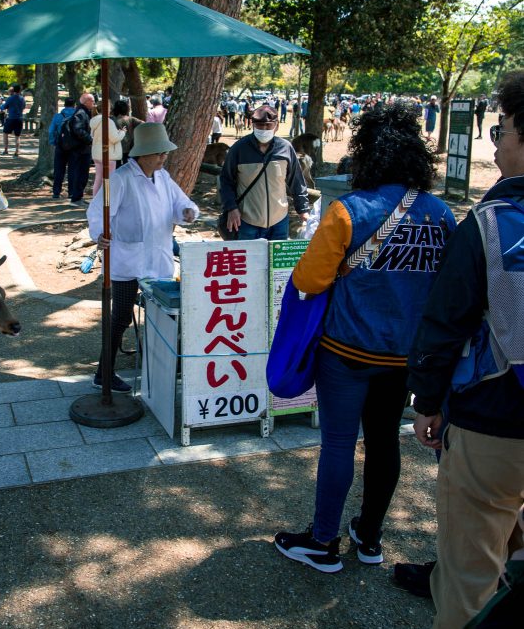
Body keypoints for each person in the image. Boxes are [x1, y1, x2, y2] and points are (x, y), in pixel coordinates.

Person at [384, 73, 524, 629]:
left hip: (493, 423)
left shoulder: (490, 225)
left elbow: (446, 322)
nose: (494, 144)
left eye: (501, 131)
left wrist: (428, 402)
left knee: (469, 572)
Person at [273, 102, 456, 574]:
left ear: (367, 154)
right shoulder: (441, 216)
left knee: (338, 443)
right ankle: (370, 537)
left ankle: (322, 541)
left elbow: (309, 280)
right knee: (384, 442)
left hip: (346, 350)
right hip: (405, 357)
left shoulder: (348, 210)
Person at [87, 122, 198, 392]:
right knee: (121, 316)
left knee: (162, 314)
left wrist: (187, 212)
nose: (163, 157)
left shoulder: (163, 177)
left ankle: (160, 366)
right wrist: (100, 233)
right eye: (158, 153)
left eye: (164, 152)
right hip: (127, 261)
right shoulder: (121, 178)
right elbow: (98, 212)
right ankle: (104, 373)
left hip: (158, 259)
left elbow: (181, 202)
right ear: (143, 154)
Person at [219, 103, 309, 241]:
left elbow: (296, 180)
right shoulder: (239, 149)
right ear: (253, 125)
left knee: (277, 255)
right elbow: (226, 180)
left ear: (276, 126)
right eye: (260, 126)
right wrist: (231, 208)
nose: (264, 129)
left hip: (279, 221)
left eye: (268, 125)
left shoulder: (285, 148)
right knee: (249, 255)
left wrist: (303, 210)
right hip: (247, 221)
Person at [90, 102, 125, 195]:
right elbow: (114, 138)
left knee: (98, 179)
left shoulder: (94, 121)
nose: (110, 110)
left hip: (97, 153)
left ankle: (96, 200)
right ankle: (107, 200)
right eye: (109, 108)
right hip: (108, 154)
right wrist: (122, 133)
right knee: (108, 179)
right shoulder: (108, 121)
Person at [66, 92, 95, 205]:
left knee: (82, 173)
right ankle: (76, 197)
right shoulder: (81, 113)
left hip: (82, 148)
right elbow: (78, 129)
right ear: (86, 102)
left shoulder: (83, 112)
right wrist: (90, 139)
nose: (94, 103)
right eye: (92, 101)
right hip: (80, 149)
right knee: (80, 173)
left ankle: (78, 196)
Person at [48, 96, 76, 199]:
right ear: (74, 105)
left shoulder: (58, 116)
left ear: (64, 105)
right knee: (73, 169)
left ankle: (56, 192)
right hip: (74, 146)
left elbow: (51, 131)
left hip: (60, 145)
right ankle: (72, 192)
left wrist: (53, 142)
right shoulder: (77, 116)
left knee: (59, 169)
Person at [112, 98, 143, 164]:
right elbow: (143, 123)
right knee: (128, 165)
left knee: (117, 166)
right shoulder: (131, 119)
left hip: (116, 147)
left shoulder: (113, 120)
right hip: (130, 147)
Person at [0, 84, 26, 156]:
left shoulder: (10, 98)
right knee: (17, 136)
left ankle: (6, 150)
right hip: (19, 118)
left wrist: (0, 107)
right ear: (20, 90)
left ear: (13, 90)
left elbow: (4, 107)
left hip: (11, 118)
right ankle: (17, 151)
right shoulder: (22, 99)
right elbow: (24, 107)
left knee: (5, 133)